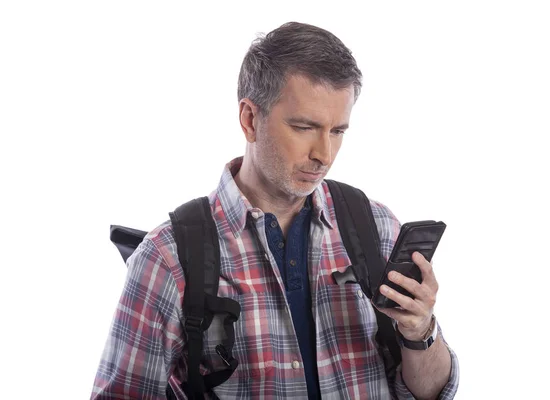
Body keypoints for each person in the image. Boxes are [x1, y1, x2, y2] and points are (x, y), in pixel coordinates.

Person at [91, 21, 460, 399]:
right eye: (304, 127)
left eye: (338, 131)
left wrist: (420, 331)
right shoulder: (167, 258)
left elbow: (430, 393)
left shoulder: (376, 227)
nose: (324, 155)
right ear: (250, 119)